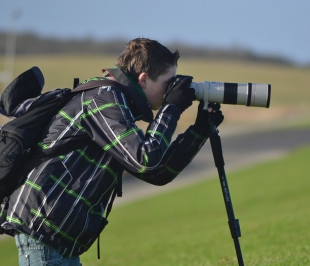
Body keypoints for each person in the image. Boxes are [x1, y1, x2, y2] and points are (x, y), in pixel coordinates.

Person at [1, 38, 224, 266]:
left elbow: (157, 173)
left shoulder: (118, 104)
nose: (171, 91)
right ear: (144, 78)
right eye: (168, 84)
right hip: (43, 228)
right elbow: (145, 160)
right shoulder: (103, 97)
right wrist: (171, 108)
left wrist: (198, 131)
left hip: (56, 236)